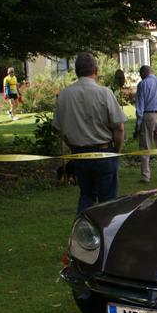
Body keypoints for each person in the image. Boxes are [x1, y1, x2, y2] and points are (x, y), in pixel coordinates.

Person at [52, 53, 127, 214]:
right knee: (108, 201)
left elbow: (60, 129)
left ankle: (84, 235)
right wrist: (117, 152)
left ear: (76, 71)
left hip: (79, 154)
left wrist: (73, 146)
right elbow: (119, 127)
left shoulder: (65, 95)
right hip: (104, 152)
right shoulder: (104, 93)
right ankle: (108, 235)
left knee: (86, 196)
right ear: (96, 70)